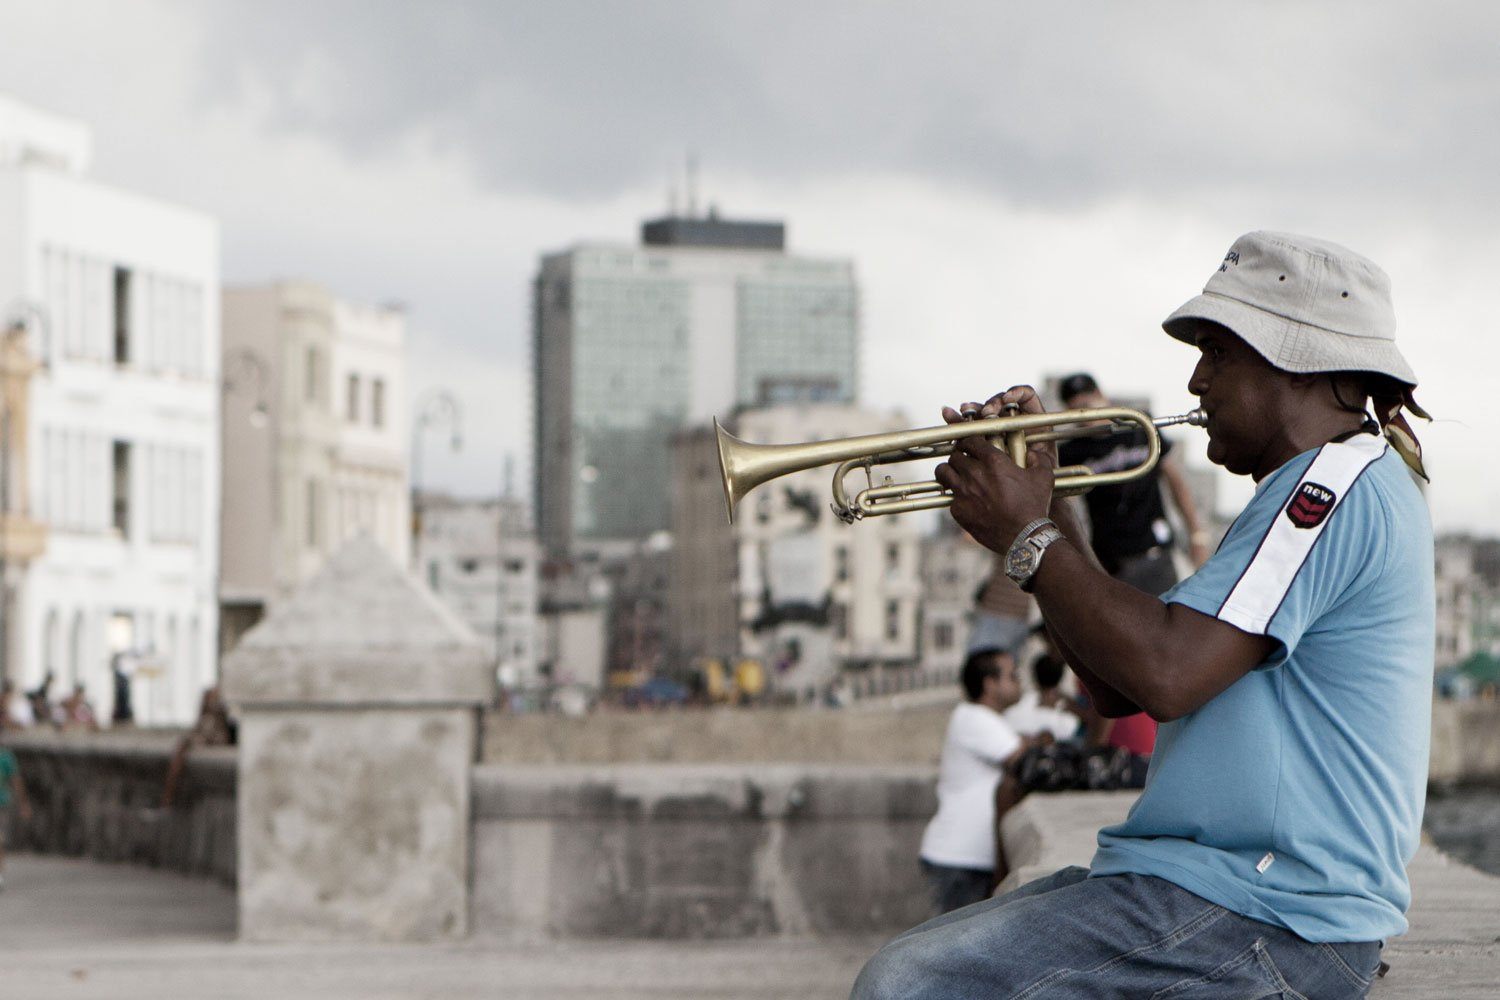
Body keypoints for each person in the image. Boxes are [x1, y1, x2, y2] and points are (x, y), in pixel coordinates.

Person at [853, 231, 1432, 999]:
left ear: (1292, 358)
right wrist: (1051, 501)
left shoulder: (1326, 492)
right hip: (1229, 891)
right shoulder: (1311, 489)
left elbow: (1166, 671)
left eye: (1218, 353)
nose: (1196, 381)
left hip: (1270, 913)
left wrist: (1029, 537)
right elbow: (1118, 682)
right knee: (916, 956)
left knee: (906, 983)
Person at [917, 648, 1047, 914]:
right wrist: (1039, 740)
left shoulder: (985, 720)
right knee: (953, 951)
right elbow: (1024, 758)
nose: (1019, 682)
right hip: (959, 859)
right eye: (1012, 675)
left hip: (969, 858)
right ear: (990, 684)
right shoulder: (973, 717)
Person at [161, 687, 235, 808]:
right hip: (201, 741)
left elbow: (218, 737)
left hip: (207, 741)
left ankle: (167, 800)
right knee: (181, 749)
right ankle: (167, 799)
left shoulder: (215, 720)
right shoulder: (209, 719)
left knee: (181, 750)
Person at [0, 732, 33, 890]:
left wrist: (24, 804)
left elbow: (16, 781)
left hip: (1, 803)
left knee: (0, 839)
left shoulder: (6, 758)